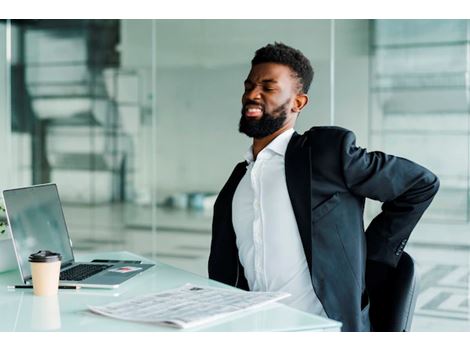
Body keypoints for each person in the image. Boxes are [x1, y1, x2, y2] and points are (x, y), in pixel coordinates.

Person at [208, 42, 439, 332]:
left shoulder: (324, 153)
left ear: (298, 102)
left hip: (325, 330)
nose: (253, 94)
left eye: (268, 87)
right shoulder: (239, 180)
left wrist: (371, 254)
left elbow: (420, 184)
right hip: (257, 329)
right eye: (249, 85)